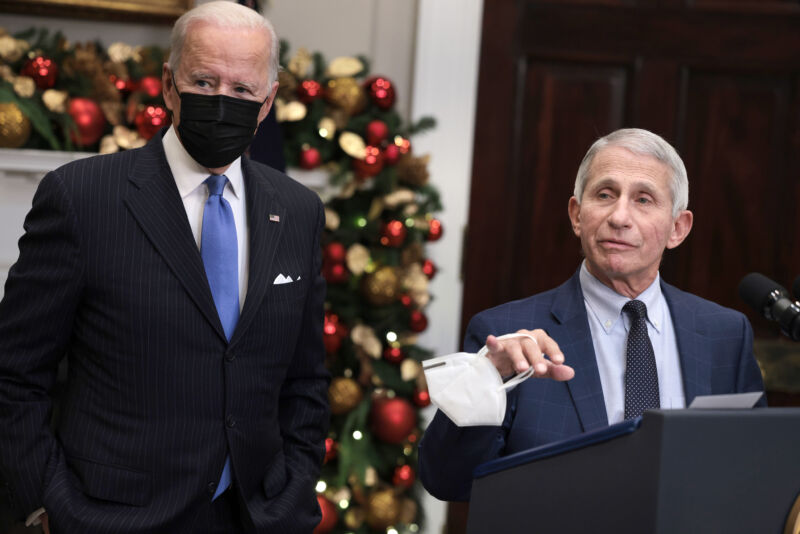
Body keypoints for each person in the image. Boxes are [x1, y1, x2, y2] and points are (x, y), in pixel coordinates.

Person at [0, 2, 329, 532]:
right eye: (205, 81)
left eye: (242, 90)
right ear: (169, 85)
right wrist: (43, 503)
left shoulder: (297, 211)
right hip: (108, 517)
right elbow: (14, 373)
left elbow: (306, 379)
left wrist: (291, 494)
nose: (224, 101)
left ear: (267, 103)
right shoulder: (82, 197)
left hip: (255, 515)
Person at [418, 128, 765, 502]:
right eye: (605, 195)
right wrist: (488, 378)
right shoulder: (503, 335)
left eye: (644, 200)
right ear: (577, 215)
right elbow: (447, 480)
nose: (620, 217)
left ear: (678, 228)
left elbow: (757, 471)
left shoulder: (724, 334)